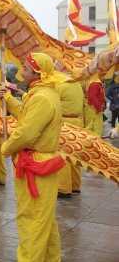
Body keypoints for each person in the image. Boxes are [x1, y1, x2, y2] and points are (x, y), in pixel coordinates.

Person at [0, 52, 65, 262]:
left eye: (26, 68)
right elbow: (26, 117)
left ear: (37, 72)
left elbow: (26, 132)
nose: (22, 70)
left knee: (31, 219)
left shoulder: (41, 98)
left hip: (35, 165)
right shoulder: (42, 94)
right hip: (41, 162)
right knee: (45, 218)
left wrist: (6, 147)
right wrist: (8, 98)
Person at [55, 68, 84, 198]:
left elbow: (51, 103)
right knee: (75, 155)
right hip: (77, 121)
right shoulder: (77, 84)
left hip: (64, 122)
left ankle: (63, 188)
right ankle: (75, 185)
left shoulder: (59, 85)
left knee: (63, 156)